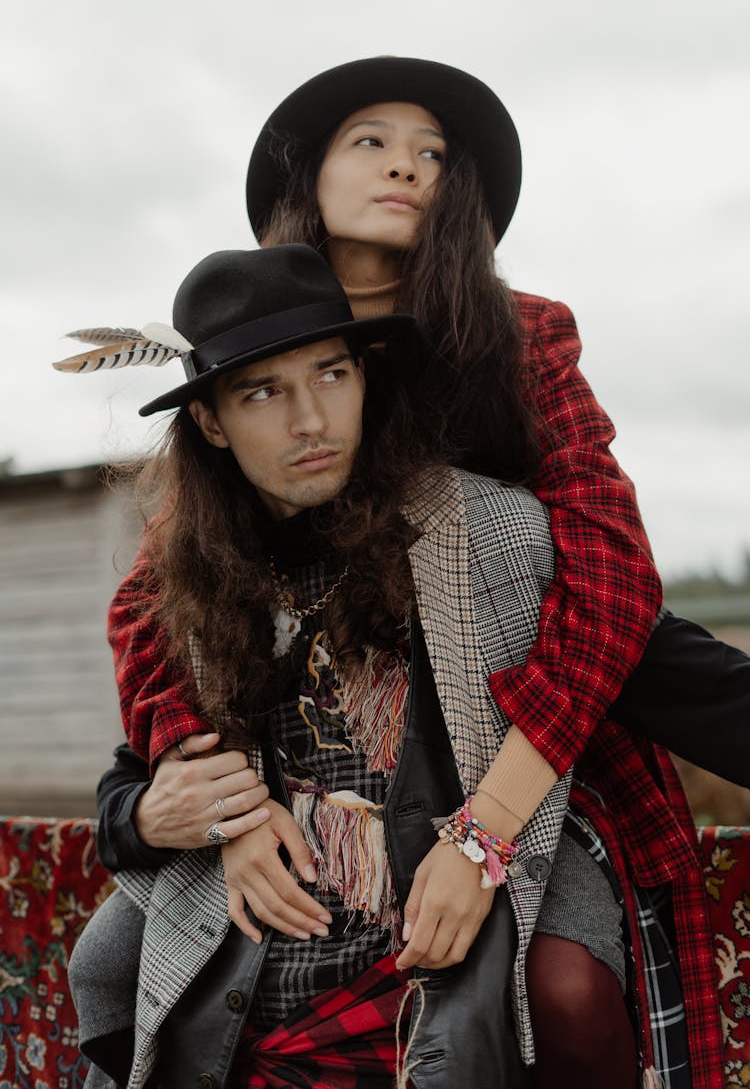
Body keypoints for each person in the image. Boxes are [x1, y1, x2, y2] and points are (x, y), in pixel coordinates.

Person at [82, 57, 734, 1085]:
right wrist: (221, 797)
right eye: (372, 142)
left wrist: (488, 829)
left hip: (515, 645)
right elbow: (158, 596)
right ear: (310, 175)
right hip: (325, 668)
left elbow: (608, 566)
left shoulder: (519, 334)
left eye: (435, 152)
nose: (408, 168)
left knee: (662, 663)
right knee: (116, 956)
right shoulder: (264, 333)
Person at [68, 242, 574, 1088]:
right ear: (212, 420)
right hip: (239, 1014)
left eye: (331, 374)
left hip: (417, 1005)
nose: (310, 419)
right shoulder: (193, 583)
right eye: (264, 391)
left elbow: (630, 664)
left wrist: (486, 843)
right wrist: (167, 816)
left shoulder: (486, 539)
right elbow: (130, 788)